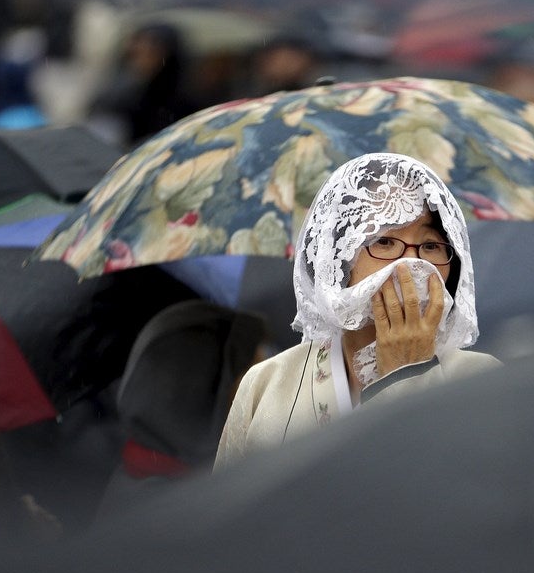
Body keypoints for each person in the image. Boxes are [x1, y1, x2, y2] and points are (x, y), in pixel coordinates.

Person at [215, 153, 501, 467]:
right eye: (384, 242)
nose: (410, 264)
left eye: (431, 246)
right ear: (339, 259)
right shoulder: (267, 384)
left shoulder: (482, 381)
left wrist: (407, 375)